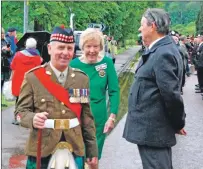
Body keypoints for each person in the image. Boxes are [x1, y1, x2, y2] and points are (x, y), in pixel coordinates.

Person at [15, 26, 98, 169]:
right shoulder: (33, 77)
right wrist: (32, 119)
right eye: (60, 47)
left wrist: (92, 150)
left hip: (74, 146)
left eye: (69, 48)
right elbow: (20, 113)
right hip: (41, 148)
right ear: (49, 48)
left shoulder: (81, 79)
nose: (65, 53)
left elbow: (86, 118)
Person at [123, 8, 186, 169]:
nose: (139, 28)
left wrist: (178, 123)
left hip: (154, 131)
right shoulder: (160, 50)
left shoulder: (163, 53)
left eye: (142, 24)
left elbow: (171, 95)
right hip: (151, 131)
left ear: (152, 26)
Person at [70, 28, 120, 165]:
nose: (92, 50)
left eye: (95, 46)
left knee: (92, 160)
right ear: (82, 47)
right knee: (78, 158)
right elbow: (68, 93)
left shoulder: (107, 63)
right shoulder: (73, 65)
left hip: (98, 120)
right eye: (88, 46)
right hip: (77, 119)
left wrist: (112, 116)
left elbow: (114, 91)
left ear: (101, 47)